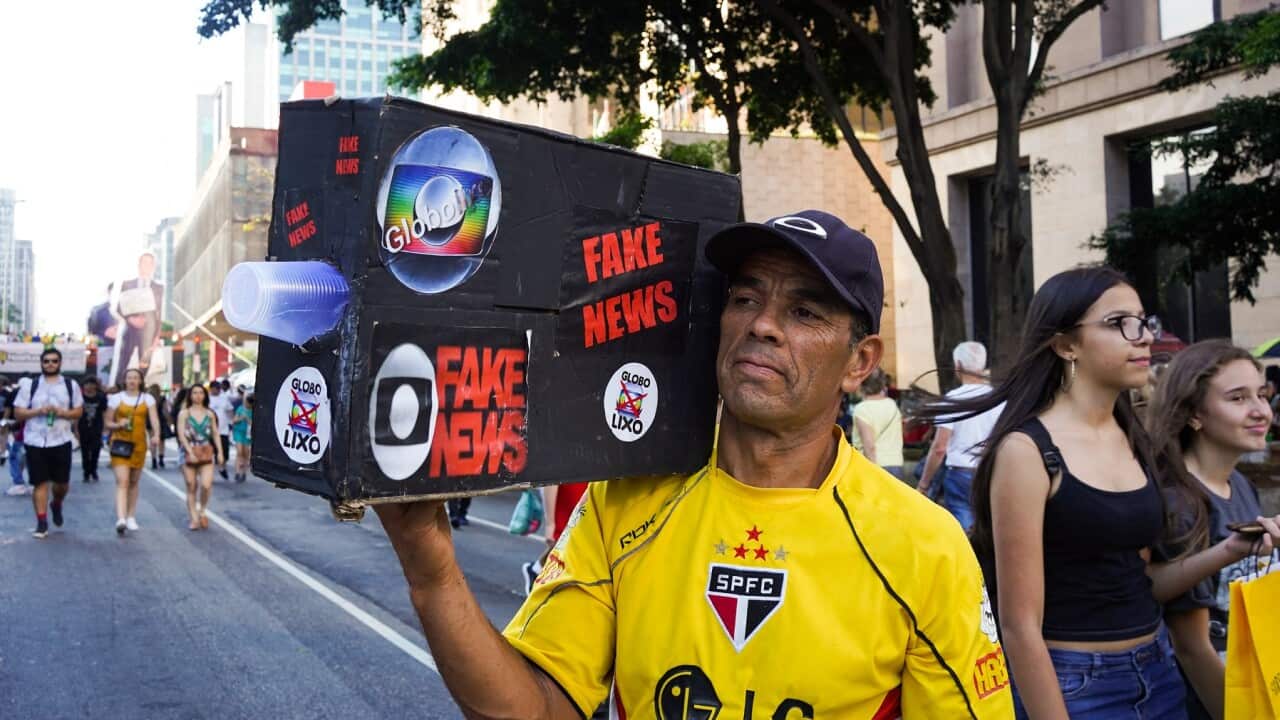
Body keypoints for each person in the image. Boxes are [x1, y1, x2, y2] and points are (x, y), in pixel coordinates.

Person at [374, 210, 1013, 718]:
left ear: (859, 361)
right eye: (744, 299)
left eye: (805, 312)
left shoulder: (924, 546)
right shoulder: (623, 501)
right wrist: (431, 571)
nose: (763, 325)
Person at [917, 266, 1277, 719]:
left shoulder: (1134, 437)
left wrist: (1227, 550)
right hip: (1074, 685)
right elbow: (1019, 625)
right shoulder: (1027, 451)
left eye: (1143, 321)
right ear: (1066, 344)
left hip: (1158, 673)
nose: (1142, 336)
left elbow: (1142, 581)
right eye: (1117, 323)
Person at [1147, 340, 1280, 720]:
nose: (1260, 411)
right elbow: (1192, 647)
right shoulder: (1179, 502)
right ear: (1194, 414)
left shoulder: (1239, 484)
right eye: (1237, 399)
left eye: (1262, 395)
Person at [917, 341, 1003, 531]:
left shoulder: (952, 400)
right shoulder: (999, 400)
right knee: (989, 527)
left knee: (963, 531)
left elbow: (940, 448)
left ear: (958, 366)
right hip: (990, 472)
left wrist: (924, 484)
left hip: (960, 473)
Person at [14, 347, 84, 539]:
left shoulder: (71, 385)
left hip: (61, 439)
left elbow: (78, 411)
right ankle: (42, 521)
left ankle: (57, 503)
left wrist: (62, 412)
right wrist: (38, 411)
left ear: (60, 363)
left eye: (54, 361)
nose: (50, 364)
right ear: (41, 363)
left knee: (61, 484)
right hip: (35, 440)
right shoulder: (31, 386)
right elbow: (18, 412)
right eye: (46, 361)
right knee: (40, 482)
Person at [105, 368, 161, 535]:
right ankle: (121, 518)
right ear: (124, 380)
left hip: (138, 444)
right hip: (120, 443)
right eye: (129, 378)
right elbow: (107, 421)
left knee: (134, 482)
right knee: (122, 481)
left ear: (140, 381)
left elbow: (154, 420)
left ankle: (131, 516)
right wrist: (117, 424)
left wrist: (156, 435)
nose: (132, 381)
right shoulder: (115, 399)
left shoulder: (147, 399)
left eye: (135, 378)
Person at [520, 481, 588, 596]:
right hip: (568, 490)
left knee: (574, 541)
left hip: (584, 488)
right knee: (564, 541)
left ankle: (537, 569)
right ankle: (539, 571)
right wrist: (550, 523)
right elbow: (551, 480)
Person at [112, 252, 164, 387]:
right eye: (144, 262)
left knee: (145, 365)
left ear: (153, 266)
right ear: (139, 265)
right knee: (123, 364)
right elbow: (119, 307)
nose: (147, 266)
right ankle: (119, 390)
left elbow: (159, 314)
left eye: (150, 263)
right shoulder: (127, 284)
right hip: (130, 331)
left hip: (148, 334)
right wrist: (131, 319)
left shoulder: (158, 288)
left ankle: (139, 391)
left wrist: (157, 336)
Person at [177, 383, 223, 530]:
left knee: (206, 484)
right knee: (191, 485)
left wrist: (220, 452)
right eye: (195, 393)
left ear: (205, 395)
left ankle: (202, 510)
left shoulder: (209, 414)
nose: (198, 396)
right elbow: (181, 434)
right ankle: (194, 517)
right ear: (190, 395)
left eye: (201, 393)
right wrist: (190, 451)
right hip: (188, 451)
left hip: (206, 451)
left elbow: (215, 433)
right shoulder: (184, 413)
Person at [851, 368, 905, 479]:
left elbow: (869, 445)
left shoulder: (862, 409)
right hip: (896, 464)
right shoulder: (892, 405)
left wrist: (874, 473)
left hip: (874, 465)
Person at [76, 376, 108, 482]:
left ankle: (93, 470)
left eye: (91, 384)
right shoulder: (79, 397)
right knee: (84, 452)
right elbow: (76, 414)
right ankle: (86, 472)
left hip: (96, 427)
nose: (89, 386)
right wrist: (75, 429)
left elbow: (104, 413)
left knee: (95, 450)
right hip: (83, 427)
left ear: (95, 386)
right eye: (87, 384)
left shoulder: (101, 397)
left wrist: (105, 428)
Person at [208, 381, 234, 480]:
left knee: (224, 452)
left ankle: (222, 468)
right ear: (211, 389)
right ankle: (210, 474)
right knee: (210, 453)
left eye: (219, 388)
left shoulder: (224, 399)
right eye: (215, 388)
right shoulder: (207, 399)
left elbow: (230, 410)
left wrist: (231, 421)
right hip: (210, 432)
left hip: (223, 430)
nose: (218, 390)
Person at [147, 384, 172, 469]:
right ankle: (161, 458)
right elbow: (165, 410)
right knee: (161, 441)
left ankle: (153, 459)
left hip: (149, 420)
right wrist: (169, 420)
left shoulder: (148, 399)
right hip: (161, 420)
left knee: (152, 440)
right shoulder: (162, 398)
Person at [231, 392, 253, 483]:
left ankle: (243, 473)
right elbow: (234, 420)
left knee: (246, 453)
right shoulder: (240, 409)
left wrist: (247, 419)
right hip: (238, 432)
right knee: (239, 452)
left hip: (247, 434)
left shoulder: (253, 411)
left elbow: (253, 424)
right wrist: (241, 418)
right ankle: (237, 472)